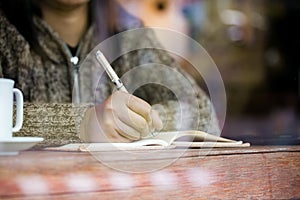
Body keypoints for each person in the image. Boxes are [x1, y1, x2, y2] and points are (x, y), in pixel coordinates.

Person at [0, 0, 219, 146]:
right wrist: (83, 124)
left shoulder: (127, 34)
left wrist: (138, 120)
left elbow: (204, 113)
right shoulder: (6, 35)